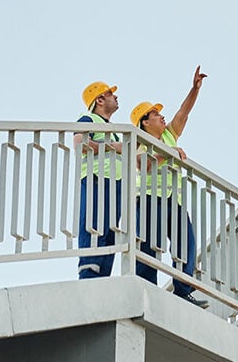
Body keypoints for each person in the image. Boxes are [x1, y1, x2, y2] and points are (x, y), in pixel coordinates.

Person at [130, 66, 209, 307]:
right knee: (149, 246)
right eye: (155, 114)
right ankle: (145, 290)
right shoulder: (140, 141)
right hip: (149, 199)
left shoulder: (168, 135)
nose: (161, 116)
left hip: (171, 199)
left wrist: (194, 89)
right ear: (144, 122)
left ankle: (182, 290)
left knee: (186, 242)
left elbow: (183, 113)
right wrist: (169, 153)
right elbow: (143, 164)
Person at [74, 81, 162, 284]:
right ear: (100, 99)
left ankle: (102, 276)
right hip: (97, 180)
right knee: (94, 225)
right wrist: (115, 146)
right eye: (111, 94)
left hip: (115, 184)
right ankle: (88, 273)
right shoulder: (89, 119)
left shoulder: (112, 129)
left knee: (110, 230)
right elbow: (80, 143)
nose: (116, 97)